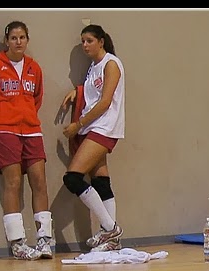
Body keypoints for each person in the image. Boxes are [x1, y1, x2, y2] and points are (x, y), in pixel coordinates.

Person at [0, 21, 54, 260]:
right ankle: (17, 243)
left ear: (27, 40)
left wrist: (25, 117)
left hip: (31, 130)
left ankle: (45, 240)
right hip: (4, 130)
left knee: (40, 181)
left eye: (22, 37)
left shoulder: (34, 68)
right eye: (13, 38)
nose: (18, 42)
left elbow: (37, 98)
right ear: (7, 41)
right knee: (12, 183)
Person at [60, 24, 124, 252]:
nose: (85, 45)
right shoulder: (93, 67)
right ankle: (112, 241)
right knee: (100, 181)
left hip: (104, 127)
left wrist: (78, 125)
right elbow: (92, 92)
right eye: (82, 41)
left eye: (89, 40)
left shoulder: (111, 64)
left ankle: (109, 228)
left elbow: (105, 101)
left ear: (101, 41)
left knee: (73, 177)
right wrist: (77, 91)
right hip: (95, 127)